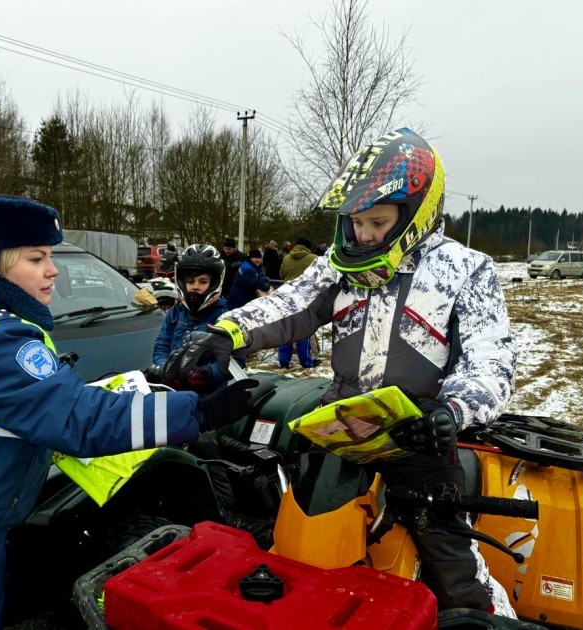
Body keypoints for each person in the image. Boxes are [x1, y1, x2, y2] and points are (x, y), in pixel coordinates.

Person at [161, 128, 519, 617]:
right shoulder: (340, 264)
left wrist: (452, 410)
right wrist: (227, 333)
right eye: (354, 223)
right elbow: (293, 304)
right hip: (343, 425)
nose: (363, 234)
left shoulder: (465, 269)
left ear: (416, 216)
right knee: (300, 539)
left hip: (420, 433)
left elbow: (489, 360)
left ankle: (483, 618)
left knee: (449, 555)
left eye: (376, 222)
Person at [0, 195, 256, 630]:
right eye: (37, 258)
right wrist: (199, 412)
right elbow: (81, 420)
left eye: (50, 256)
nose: (52, 269)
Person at [149, 244, 230, 391]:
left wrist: (205, 375)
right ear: (182, 282)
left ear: (215, 283)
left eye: (203, 282)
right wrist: (164, 367)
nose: (195, 287)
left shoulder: (225, 317)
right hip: (173, 387)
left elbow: (233, 361)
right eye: (190, 281)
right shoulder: (176, 312)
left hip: (208, 393)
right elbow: (162, 344)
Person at [277, 236, 318, 369]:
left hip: (286, 298)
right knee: (303, 331)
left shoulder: (286, 258)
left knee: (286, 330)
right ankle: (306, 362)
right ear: (308, 247)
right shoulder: (313, 258)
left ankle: (283, 362)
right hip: (304, 299)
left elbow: (281, 275)